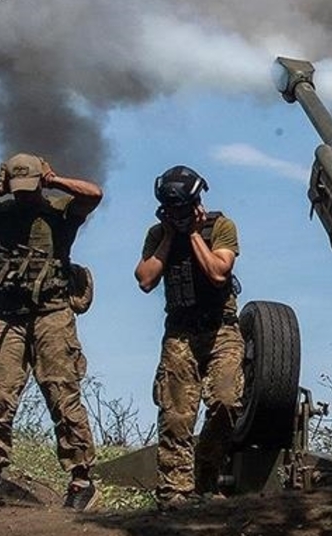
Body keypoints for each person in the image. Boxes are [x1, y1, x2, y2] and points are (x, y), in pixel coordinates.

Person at [0, 152, 102, 511]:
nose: (24, 194)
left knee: (63, 396)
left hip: (53, 313)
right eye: (18, 188)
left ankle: (82, 481)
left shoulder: (60, 209)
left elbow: (94, 194)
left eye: (29, 187)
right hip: (8, 316)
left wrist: (55, 180)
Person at [134, 165, 242, 510]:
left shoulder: (220, 227)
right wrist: (169, 236)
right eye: (171, 211)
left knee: (227, 401)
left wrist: (194, 234)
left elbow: (217, 272)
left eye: (183, 209)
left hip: (221, 329)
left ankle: (205, 471)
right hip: (180, 332)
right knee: (176, 415)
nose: (178, 216)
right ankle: (174, 492)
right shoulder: (157, 234)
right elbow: (145, 279)